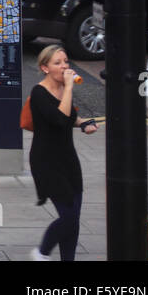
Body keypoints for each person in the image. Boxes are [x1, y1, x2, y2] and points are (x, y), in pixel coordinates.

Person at [29, 45, 98, 260]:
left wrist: (83, 123)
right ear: (45, 68)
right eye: (57, 63)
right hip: (47, 162)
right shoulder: (39, 92)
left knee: (74, 219)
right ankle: (42, 252)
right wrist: (68, 88)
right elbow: (58, 119)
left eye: (66, 61)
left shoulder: (61, 89)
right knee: (67, 217)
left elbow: (69, 117)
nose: (64, 66)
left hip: (68, 159)